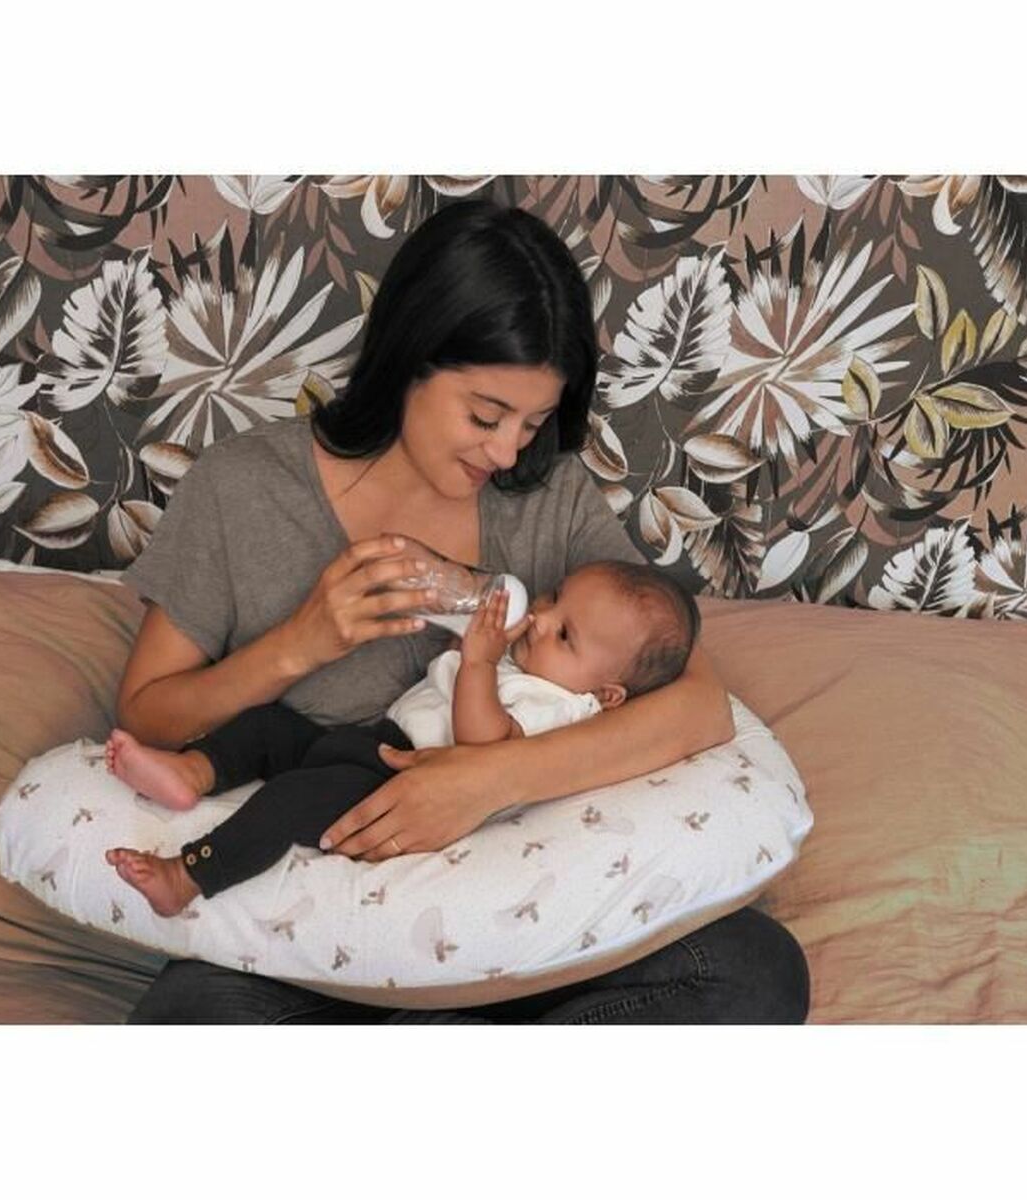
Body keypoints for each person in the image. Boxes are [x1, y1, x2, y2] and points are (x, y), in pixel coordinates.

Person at [115, 198, 810, 1023]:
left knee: (755, 970)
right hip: (320, 935)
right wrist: (296, 646)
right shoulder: (245, 487)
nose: (509, 450)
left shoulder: (548, 499)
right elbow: (145, 713)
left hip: (519, 923)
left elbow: (698, 705)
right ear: (408, 357)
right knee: (187, 1015)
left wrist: (486, 780)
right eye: (485, 415)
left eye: (534, 422)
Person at [104, 560, 701, 918]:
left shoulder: (564, 706)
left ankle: (188, 876)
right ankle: (192, 772)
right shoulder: (532, 664)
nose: (540, 619)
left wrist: (478, 663)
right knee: (268, 725)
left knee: (289, 801)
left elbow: (486, 743)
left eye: (565, 634)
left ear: (609, 694)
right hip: (374, 742)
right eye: (553, 600)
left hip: (396, 783)